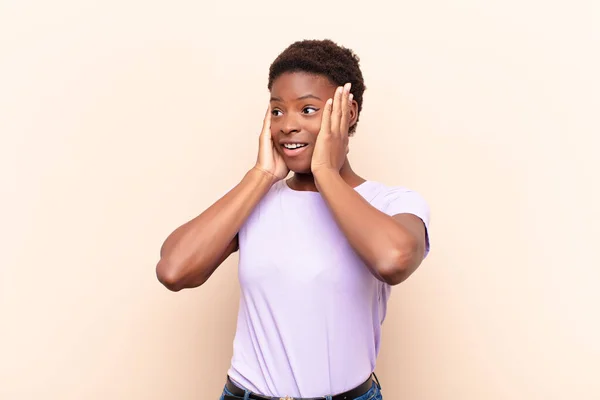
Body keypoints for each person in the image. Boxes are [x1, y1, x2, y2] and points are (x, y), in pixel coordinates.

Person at [156, 39, 431, 400]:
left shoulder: (389, 203)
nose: (288, 125)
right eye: (277, 111)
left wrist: (326, 172)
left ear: (348, 113)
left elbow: (393, 260)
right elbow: (174, 270)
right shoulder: (258, 200)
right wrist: (260, 175)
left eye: (308, 109)